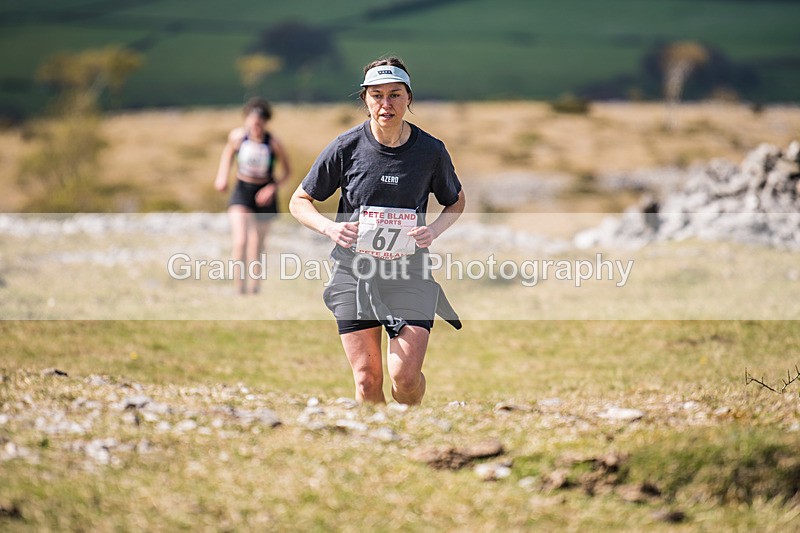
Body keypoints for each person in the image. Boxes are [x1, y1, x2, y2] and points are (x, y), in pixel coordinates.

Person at [289, 57, 466, 405]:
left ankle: (409, 424)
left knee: (405, 377)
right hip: (353, 272)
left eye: (395, 95)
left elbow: (456, 201)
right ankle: (382, 444)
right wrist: (329, 228)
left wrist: (433, 230)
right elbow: (300, 200)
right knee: (368, 381)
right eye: (377, 95)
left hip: (408, 271)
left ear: (408, 98)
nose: (386, 104)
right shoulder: (345, 147)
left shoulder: (431, 151)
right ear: (365, 98)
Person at [215, 97, 291, 295]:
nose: (255, 127)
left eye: (259, 124)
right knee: (240, 240)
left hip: (265, 193)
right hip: (242, 191)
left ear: (265, 123)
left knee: (257, 243)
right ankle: (238, 289)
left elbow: (286, 172)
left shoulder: (273, 143)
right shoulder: (238, 137)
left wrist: (271, 188)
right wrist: (222, 177)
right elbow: (228, 154)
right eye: (251, 123)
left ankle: (254, 287)